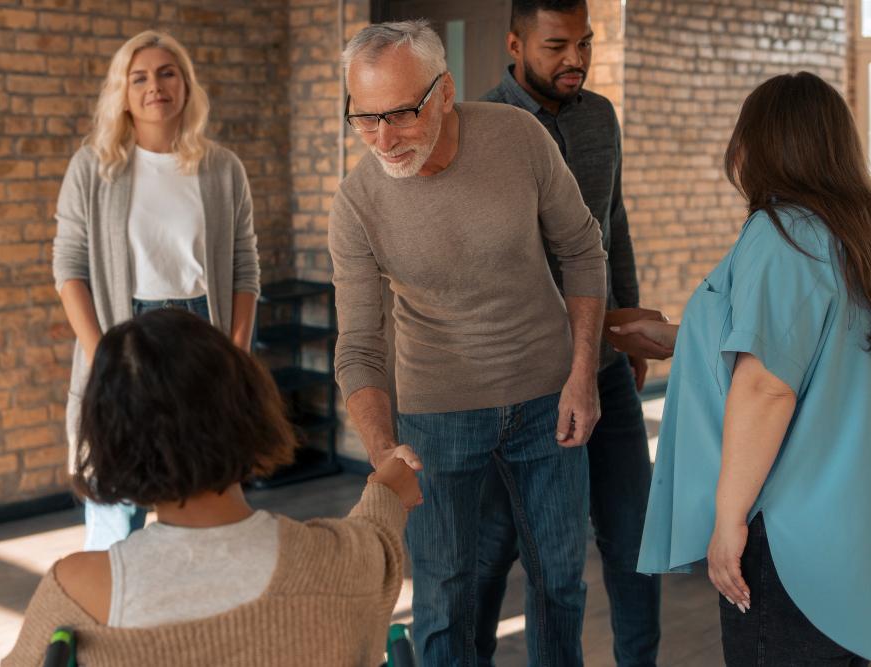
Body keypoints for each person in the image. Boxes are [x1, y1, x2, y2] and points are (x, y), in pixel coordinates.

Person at [330, 20, 608, 665]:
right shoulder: (356, 204)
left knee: (561, 583)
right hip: (437, 416)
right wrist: (382, 449)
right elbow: (360, 346)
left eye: (400, 114)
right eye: (364, 119)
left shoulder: (518, 137)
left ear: (445, 92)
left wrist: (583, 374)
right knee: (444, 596)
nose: (382, 138)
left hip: (549, 397)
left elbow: (582, 249)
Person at [2, 309, 421, 666]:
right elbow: (377, 533)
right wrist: (388, 488)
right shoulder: (344, 562)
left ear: (108, 436)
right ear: (249, 406)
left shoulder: (71, 597)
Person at [622, 72, 871, 665]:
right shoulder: (852, 235)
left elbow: (767, 384)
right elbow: (825, 347)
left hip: (789, 539)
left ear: (756, 147)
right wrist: (686, 338)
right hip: (853, 534)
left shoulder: (782, 232)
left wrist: (728, 520)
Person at [478, 1, 661, 664]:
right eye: (556, 46)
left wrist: (630, 321)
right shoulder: (480, 125)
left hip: (607, 363)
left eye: (583, 43)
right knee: (501, 550)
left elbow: (614, 223)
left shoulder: (600, 118)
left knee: (634, 538)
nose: (575, 60)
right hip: (521, 381)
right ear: (515, 43)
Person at [52, 30, 260, 551]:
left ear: (186, 86)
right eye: (139, 76)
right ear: (122, 92)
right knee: (116, 498)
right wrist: (103, 356)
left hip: (200, 337)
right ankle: (113, 621)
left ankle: (193, 622)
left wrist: (234, 356)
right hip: (125, 336)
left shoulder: (222, 169)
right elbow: (68, 267)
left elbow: (243, 269)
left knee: (204, 487)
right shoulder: (93, 168)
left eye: (167, 72)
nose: (155, 86)